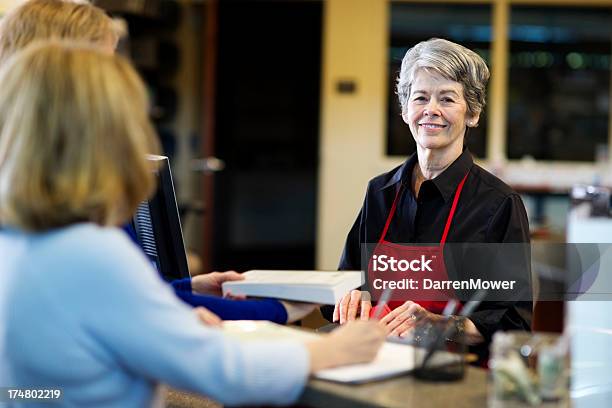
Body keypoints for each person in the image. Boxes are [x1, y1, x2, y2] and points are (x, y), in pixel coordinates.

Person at [0, 41, 386, 406]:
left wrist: (173, 315)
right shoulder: (90, 253)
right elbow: (221, 372)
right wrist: (332, 350)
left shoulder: (18, 240)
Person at [0, 0, 313, 325]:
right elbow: (138, 309)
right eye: (105, 67)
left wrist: (187, 287)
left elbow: (119, 295)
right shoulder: (68, 192)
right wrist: (279, 310)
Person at [326, 38, 531, 358]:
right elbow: (347, 282)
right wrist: (350, 296)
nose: (431, 110)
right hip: (372, 359)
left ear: (473, 113)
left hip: (452, 375)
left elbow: (514, 321)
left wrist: (441, 324)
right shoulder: (379, 192)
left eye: (447, 98)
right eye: (420, 97)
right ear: (406, 110)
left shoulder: (498, 205)